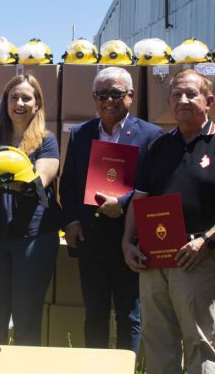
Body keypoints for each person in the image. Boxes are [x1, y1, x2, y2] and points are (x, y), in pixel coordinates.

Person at [122, 69, 215, 374]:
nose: (183, 100)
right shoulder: (159, 146)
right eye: (177, 95)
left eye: (191, 94)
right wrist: (128, 241)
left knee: (200, 341)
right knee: (159, 341)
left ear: (209, 100)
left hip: (197, 255)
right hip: (153, 256)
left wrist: (207, 241)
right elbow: (140, 198)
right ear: (169, 101)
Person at [59, 66, 163, 351]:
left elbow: (156, 186)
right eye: (101, 94)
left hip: (129, 237)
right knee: (94, 313)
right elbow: (68, 184)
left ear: (130, 95)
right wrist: (70, 222)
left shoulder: (150, 135)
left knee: (129, 314)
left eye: (115, 93)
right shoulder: (82, 133)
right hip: (90, 237)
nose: (108, 100)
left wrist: (124, 203)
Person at [0, 74, 61, 346]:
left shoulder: (46, 140)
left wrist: (15, 175)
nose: (20, 103)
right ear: (5, 103)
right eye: (14, 97)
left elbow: (42, 178)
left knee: (26, 317)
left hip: (32, 237)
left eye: (26, 98)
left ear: (37, 104)